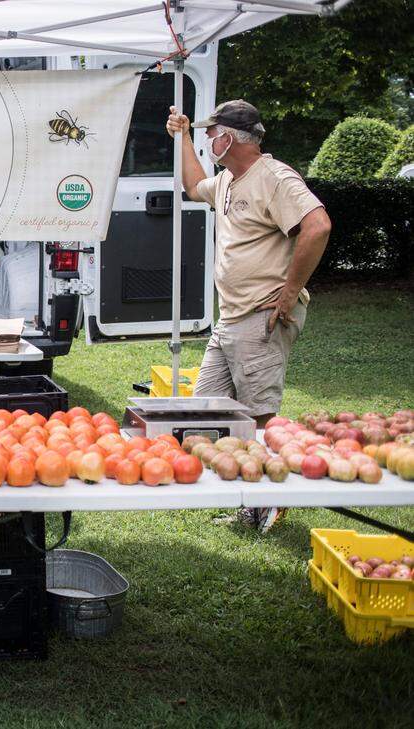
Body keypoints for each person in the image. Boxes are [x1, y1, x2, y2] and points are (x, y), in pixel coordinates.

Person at [166, 100, 332, 532]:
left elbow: (317, 226)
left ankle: (270, 502)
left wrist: (290, 292)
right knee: (207, 411)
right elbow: (192, 186)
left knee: (257, 418)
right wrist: (181, 136)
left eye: (211, 132)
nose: (208, 139)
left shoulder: (274, 177)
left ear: (232, 138)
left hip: (262, 317)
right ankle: (249, 498)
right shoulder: (225, 181)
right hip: (230, 320)